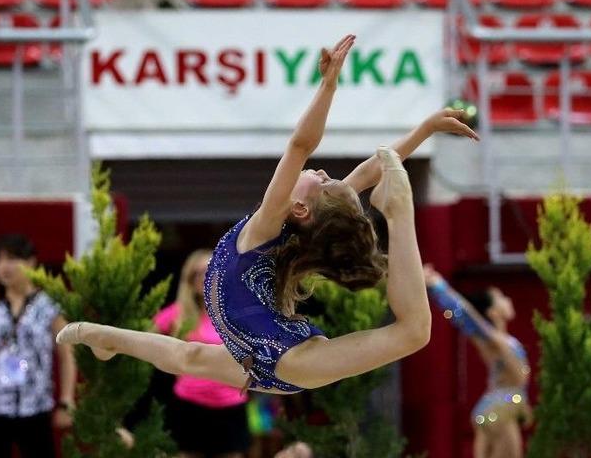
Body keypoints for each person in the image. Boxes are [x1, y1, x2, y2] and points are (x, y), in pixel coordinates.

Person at [55, 34, 478, 394]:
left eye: (324, 181)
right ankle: (102, 337)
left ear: (300, 206)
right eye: (329, 178)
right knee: (188, 355)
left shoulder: (270, 223)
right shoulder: (289, 228)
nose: (324, 172)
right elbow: (368, 169)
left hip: (285, 357)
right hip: (263, 353)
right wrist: (424, 130)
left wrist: (328, 86)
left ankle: (399, 212)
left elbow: (300, 147)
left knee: (414, 333)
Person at [0, 234, 77, 458]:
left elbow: (67, 356)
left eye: (11, 259)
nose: (4, 267)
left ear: (31, 262)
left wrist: (66, 399)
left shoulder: (49, 305)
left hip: (35, 404)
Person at [423, 265, 531, 458]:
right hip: (499, 407)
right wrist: (438, 286)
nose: (508, 300)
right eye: (501, 298)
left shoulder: (500, 340)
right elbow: (465, 314)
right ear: (492, 312)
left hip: (497, 407)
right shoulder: (491, 339)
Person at [153, 249, 251, 458]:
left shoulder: (235, 312)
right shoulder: (179, 313)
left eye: (210, 270)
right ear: (190, 280)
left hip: (230, 403)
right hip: (189, 404)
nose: (205, 277)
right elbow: (148, 337)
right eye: (199, 273)